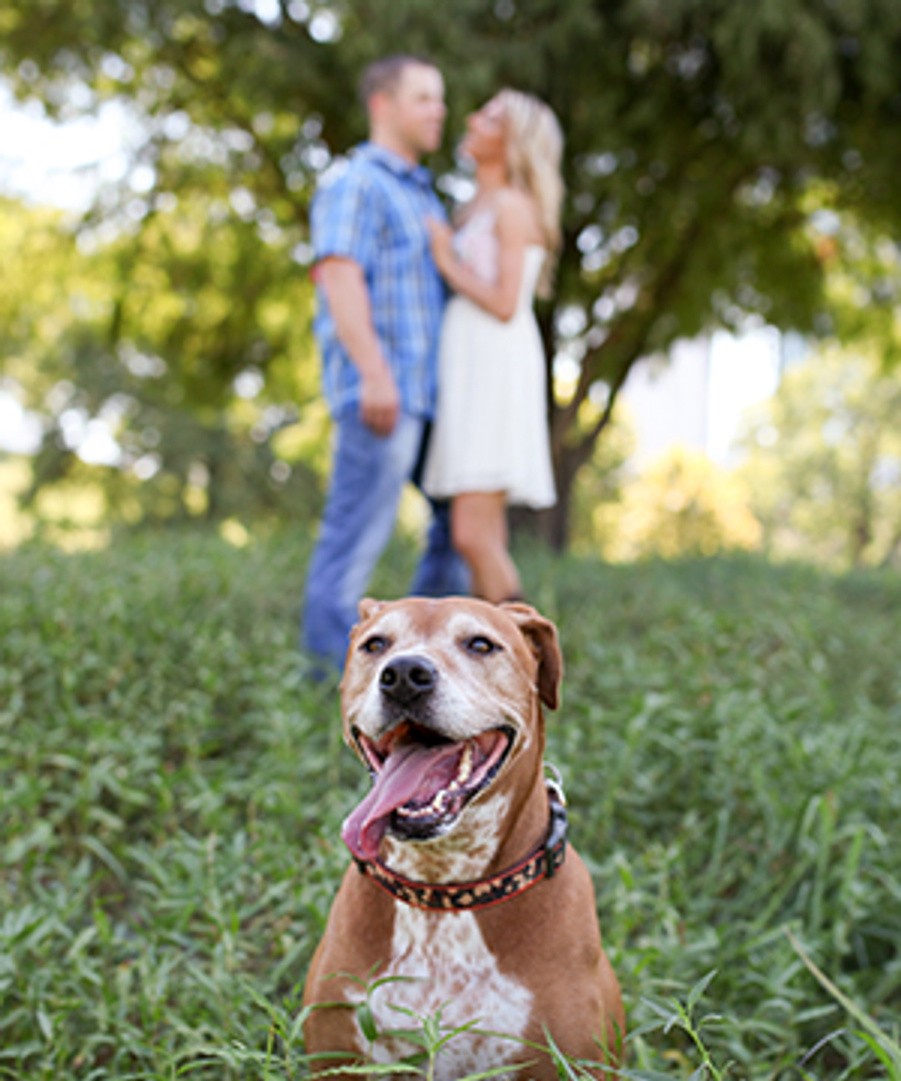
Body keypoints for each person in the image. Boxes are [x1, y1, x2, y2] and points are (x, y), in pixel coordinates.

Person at [302, 55, 469, 674]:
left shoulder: (424, 196)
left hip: (430, 400)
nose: (439, 111)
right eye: (424, 98)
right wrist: (374, 373)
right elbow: (339, 276)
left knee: (461, 523)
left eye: (440, 98)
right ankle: (328, 684)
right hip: (383, 392)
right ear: (383, 105)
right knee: (353, 543)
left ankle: (422, 654)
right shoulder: (356, 183)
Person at [422, 90, 564, 603]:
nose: (472, 120)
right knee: (481, 535)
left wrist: (447, 263)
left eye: (489, 117)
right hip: (469, 370)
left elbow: (506, 301)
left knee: (472, 535)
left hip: (494, 370)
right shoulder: (472, 207)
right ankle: (496, 671)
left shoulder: (512, 206)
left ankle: (529, 664)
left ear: (512, 140)